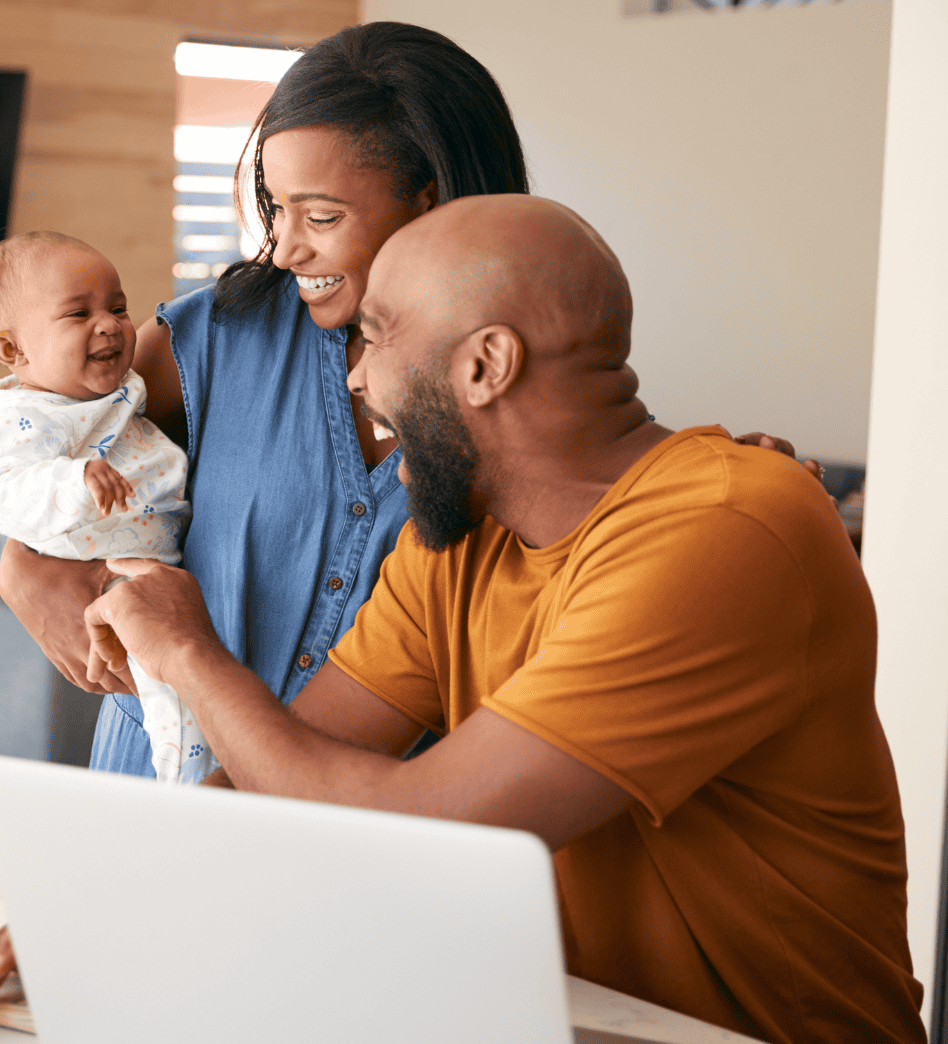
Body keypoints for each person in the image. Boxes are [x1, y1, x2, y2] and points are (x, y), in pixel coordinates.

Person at [0, 22, 824, 1025]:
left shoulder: (663, 526)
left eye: (318, 211)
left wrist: (712, 493)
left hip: (432, 897)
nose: (351, 372)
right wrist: (90, 896)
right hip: (274, 852)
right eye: (273, 206)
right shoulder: (236, 347)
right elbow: (64, 442)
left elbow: (419, 808)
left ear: (482, 361)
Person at [76, 195, 924, 1043]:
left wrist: (188, 650)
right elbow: (293, 783)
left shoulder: (729, 528)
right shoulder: (462, 542)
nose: (355, 375)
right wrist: (100, 925)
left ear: (486, 365)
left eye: (376, 334)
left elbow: (426, 828)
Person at [0, 230, 212, 784]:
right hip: (110, 575)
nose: (109, 324)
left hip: (158, 561)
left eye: (119, 307)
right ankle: (186, 780)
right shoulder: (28, 418)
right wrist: (74, 479)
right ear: (14, 351)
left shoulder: (115, 394)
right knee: (168, 683)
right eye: (78, 314)